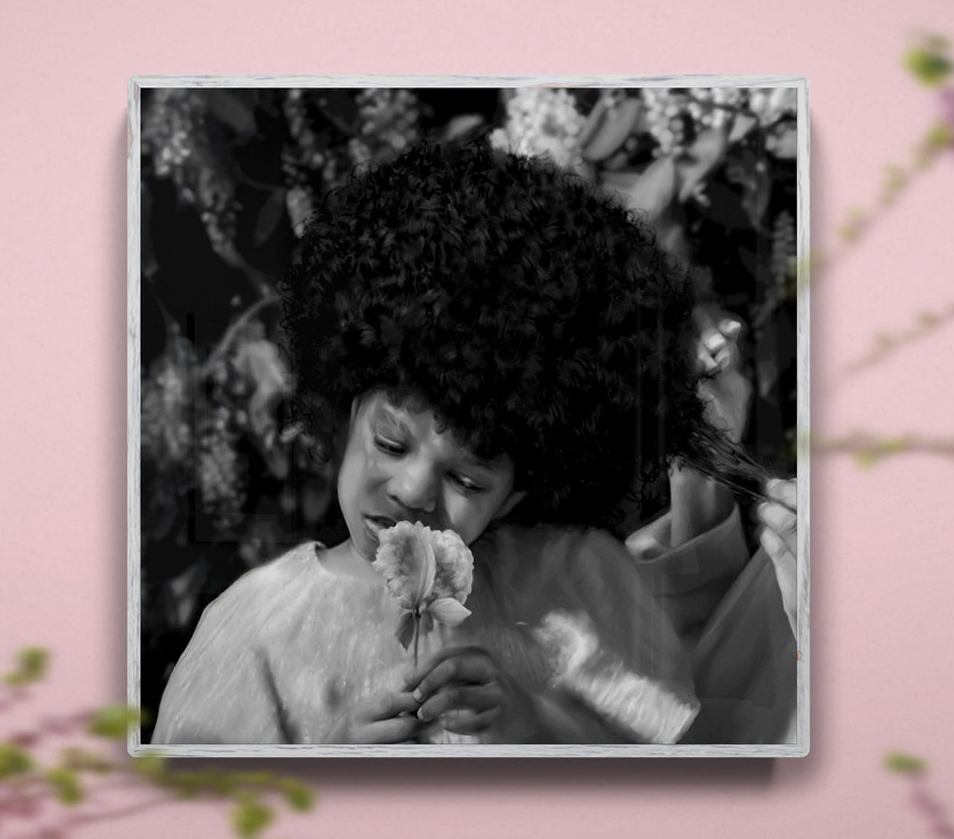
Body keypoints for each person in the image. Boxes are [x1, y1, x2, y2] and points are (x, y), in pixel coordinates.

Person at [151, 141, 796, 747]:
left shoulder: (575, 583)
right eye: (390, 442)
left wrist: (528, 722)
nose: (412, 491)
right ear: (345, 409)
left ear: (517, 495)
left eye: (467, 481)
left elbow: (671, 783)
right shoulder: (255, 629)